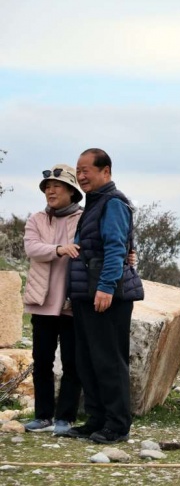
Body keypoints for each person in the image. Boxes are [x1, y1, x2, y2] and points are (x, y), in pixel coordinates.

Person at [60, 148, 143, 444]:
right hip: (85, 294)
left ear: (105, 171)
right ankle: (96, 419)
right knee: (87, 360)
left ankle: (117, 425)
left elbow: (116, 248)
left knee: (109, 361)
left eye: (87, 170)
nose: (81, 176)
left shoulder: (113, 203)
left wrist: (106, 287)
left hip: (107, 294)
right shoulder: (94, 204)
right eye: (78, 171)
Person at [22, 165, 84, 435]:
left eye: (57, 186)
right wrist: (59, 249)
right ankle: (43, 415)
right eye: (47, 186)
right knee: (42, 360)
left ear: (71, 191)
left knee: (72, 363)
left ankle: (65, 418)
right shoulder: (36, 219)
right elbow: (31, 248)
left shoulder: (84, 218)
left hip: (72, 303)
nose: (50, 190)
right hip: (42, 302)